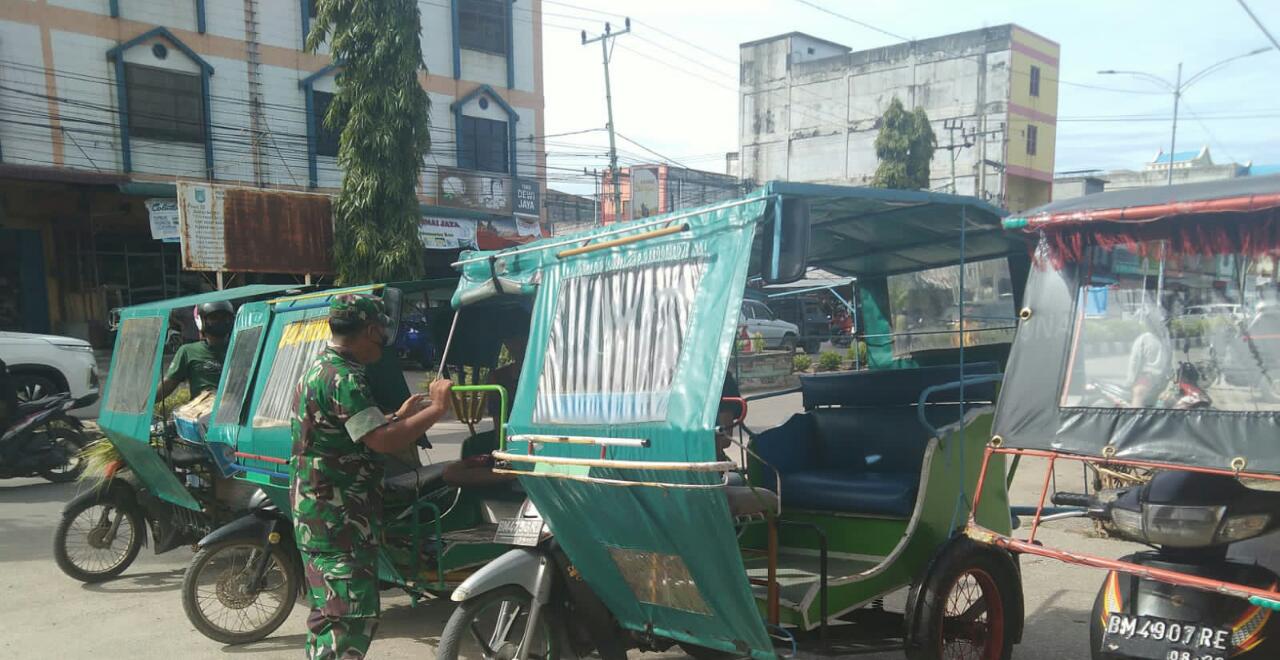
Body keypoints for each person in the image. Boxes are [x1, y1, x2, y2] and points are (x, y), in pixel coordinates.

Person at [289, 294, 453, 659]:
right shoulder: (345, 378)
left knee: (327, 616)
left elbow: (350, 429)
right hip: (341, 521)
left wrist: (395, 415)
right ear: (372, 330)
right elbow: (383, 442)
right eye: (381, 334)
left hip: (316, 517)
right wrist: (439, 408)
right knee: (348, 620)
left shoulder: (318, 370)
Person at [157, 301, 235, 401]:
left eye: (225, 317)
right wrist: (144, 405)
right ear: (202, 321)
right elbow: (168, 385)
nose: (220, 321)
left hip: (236, 412)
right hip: (202, 412)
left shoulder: (242, 349)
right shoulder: (188, 351)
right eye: (214, 318)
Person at [1126, 306, 1172, 407]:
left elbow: (1134, 362)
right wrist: (1130, 381)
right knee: (1139, 394)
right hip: (1150, 378)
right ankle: (1134, 420)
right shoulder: (1146, 339)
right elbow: (1134, 362)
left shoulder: (1164, 339)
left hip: (1159, 379)